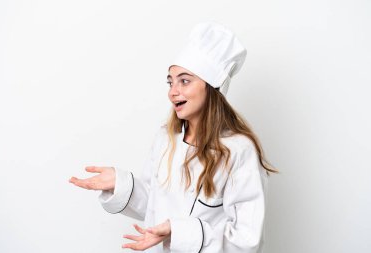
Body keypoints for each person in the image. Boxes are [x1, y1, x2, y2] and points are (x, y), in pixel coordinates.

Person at [69, 21, 278, 253]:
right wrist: (120, 184)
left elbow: (247, 241)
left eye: (184, 81)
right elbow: (154, 205)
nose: (172, 91)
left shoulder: (238, 151)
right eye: (170, 82)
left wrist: (179, 232)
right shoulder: (165, 139)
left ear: (212, 86)